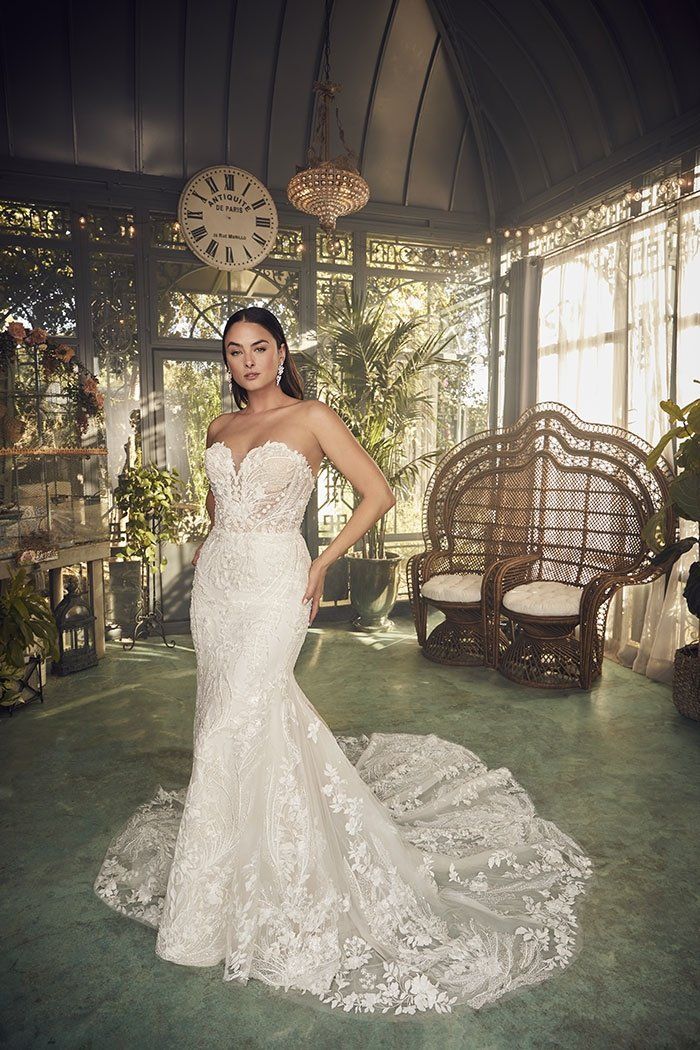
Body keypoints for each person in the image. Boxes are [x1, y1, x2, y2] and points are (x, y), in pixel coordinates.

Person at [94, 306, 593, 1018]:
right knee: (219, 720)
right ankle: (227, 867)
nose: (246, 362)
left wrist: (325, 560)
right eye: (234, 352)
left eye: (259, 348)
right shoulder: (217, 426)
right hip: (220, 588)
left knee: (243, 713)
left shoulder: (313, 417)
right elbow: (218, 501)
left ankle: (253, 885)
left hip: (277, 583)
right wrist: (212, 538)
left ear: (281, 351)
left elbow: (379, 492)